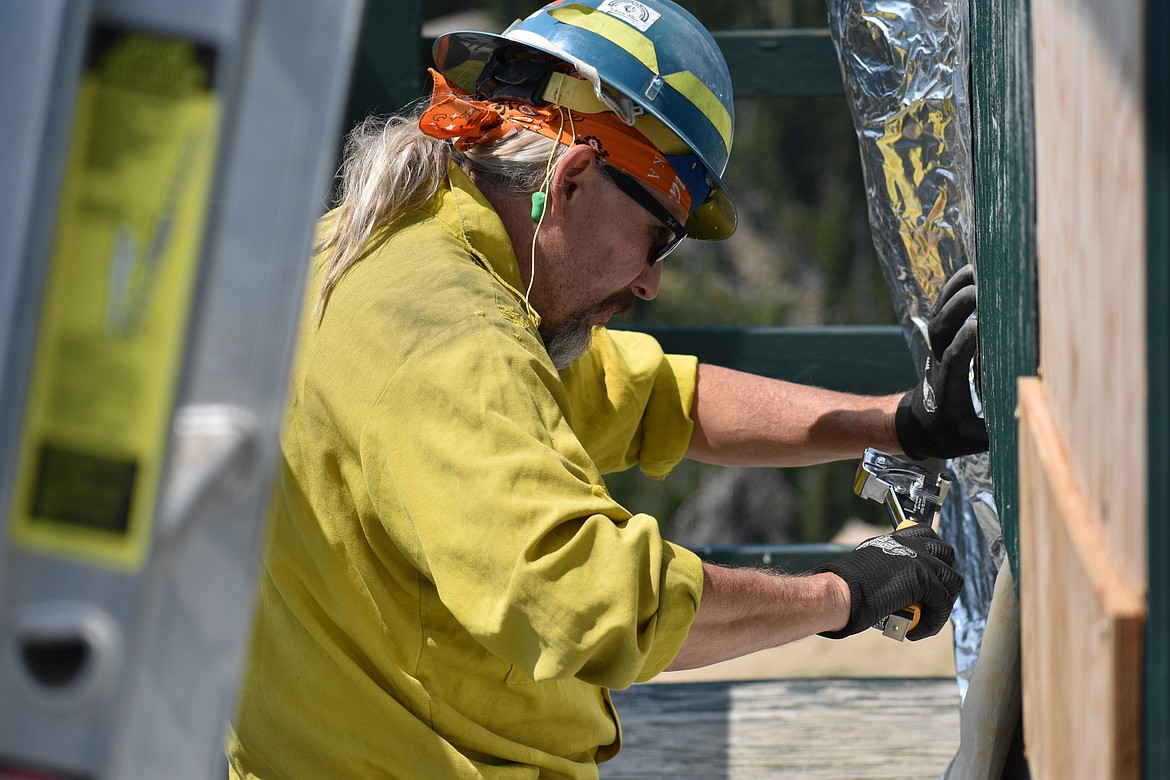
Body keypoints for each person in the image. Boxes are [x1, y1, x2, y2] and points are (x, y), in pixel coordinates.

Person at [227, 1, 986, 776]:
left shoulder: (389, 252)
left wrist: (901, 423)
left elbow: (656, 398)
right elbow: (592, 604)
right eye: (660, 237)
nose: (653, 282)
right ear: (575, 180)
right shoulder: (454, 341)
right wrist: (846, 591)